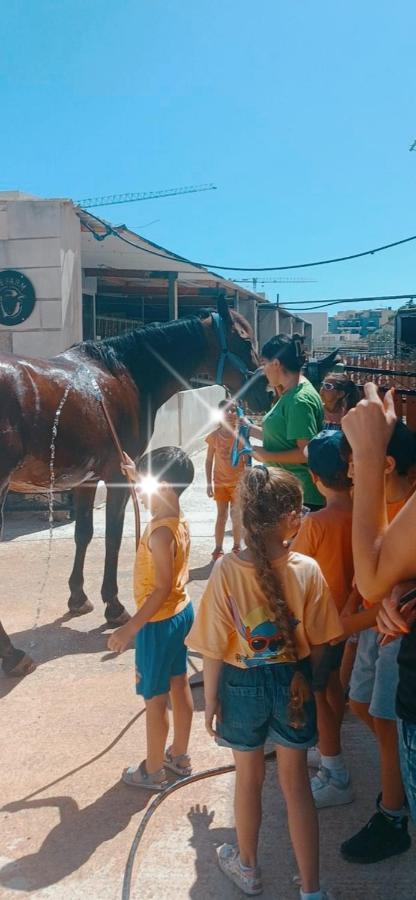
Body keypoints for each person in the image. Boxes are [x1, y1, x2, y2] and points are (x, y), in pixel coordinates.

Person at [187, 466, 342, 900]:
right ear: (292, 516)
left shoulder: (226, 571)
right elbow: (325, 641)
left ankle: (249, 867)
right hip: (294, 682)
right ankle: (311, 889)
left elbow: (213, 649)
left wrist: (212, 699)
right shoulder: (307, 569)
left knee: (248, 778)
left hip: (240, 684)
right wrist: (312, 685)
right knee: (296, 788)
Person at [337, 420, 416, 862]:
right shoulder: (377, 502)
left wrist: (344, 626)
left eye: (359, 460)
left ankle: (392, 813)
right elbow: (367, 574)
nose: (352, 471)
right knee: (362, 706)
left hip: (393, 639)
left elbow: (378, 575)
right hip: (375, 628)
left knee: (387, 721)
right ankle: (398, 780)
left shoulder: (404, 507)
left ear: (384, 464)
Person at [108, 446, 195, 791]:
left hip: (157, 622)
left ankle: (154, 769)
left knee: (155, 700)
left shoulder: (160, 533)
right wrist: (135, 470)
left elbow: (159, 589)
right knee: (180, 683)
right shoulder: (176, 515)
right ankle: (181, 755)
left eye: (146, 483)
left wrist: (131, 627)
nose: (140, 491)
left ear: (166, 487)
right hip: (181, 612)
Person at [291, 430, 354, 807]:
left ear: (314, 478)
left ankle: (334, 771)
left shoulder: (316, 523)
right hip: (348, 621)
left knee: (317, 694)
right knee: (332, 688)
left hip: (319, 625)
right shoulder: (364, 511)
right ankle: (329, 749)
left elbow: (294, 568)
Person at [245, 334, 325, 510]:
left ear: (276, 363)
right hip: (290, 493)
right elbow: (283, 437)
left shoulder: (299, 400)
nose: (263, 370)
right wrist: (249, 429)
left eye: (264, 364)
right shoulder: (291, 393)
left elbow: (305, 452)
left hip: (301, 497)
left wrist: (266, 456)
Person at [205, 400, 246, 560]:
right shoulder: (214, 437)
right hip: (220, 483)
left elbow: (247, 460)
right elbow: (208, 461)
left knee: (236, 515)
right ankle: (218, 547)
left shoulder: (241, 436)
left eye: (234, 410)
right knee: (221, 515)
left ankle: (237, 546)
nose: (230, 413)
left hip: (238, 484)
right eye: (226, 410)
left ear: (238, 414)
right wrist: (208, 483)